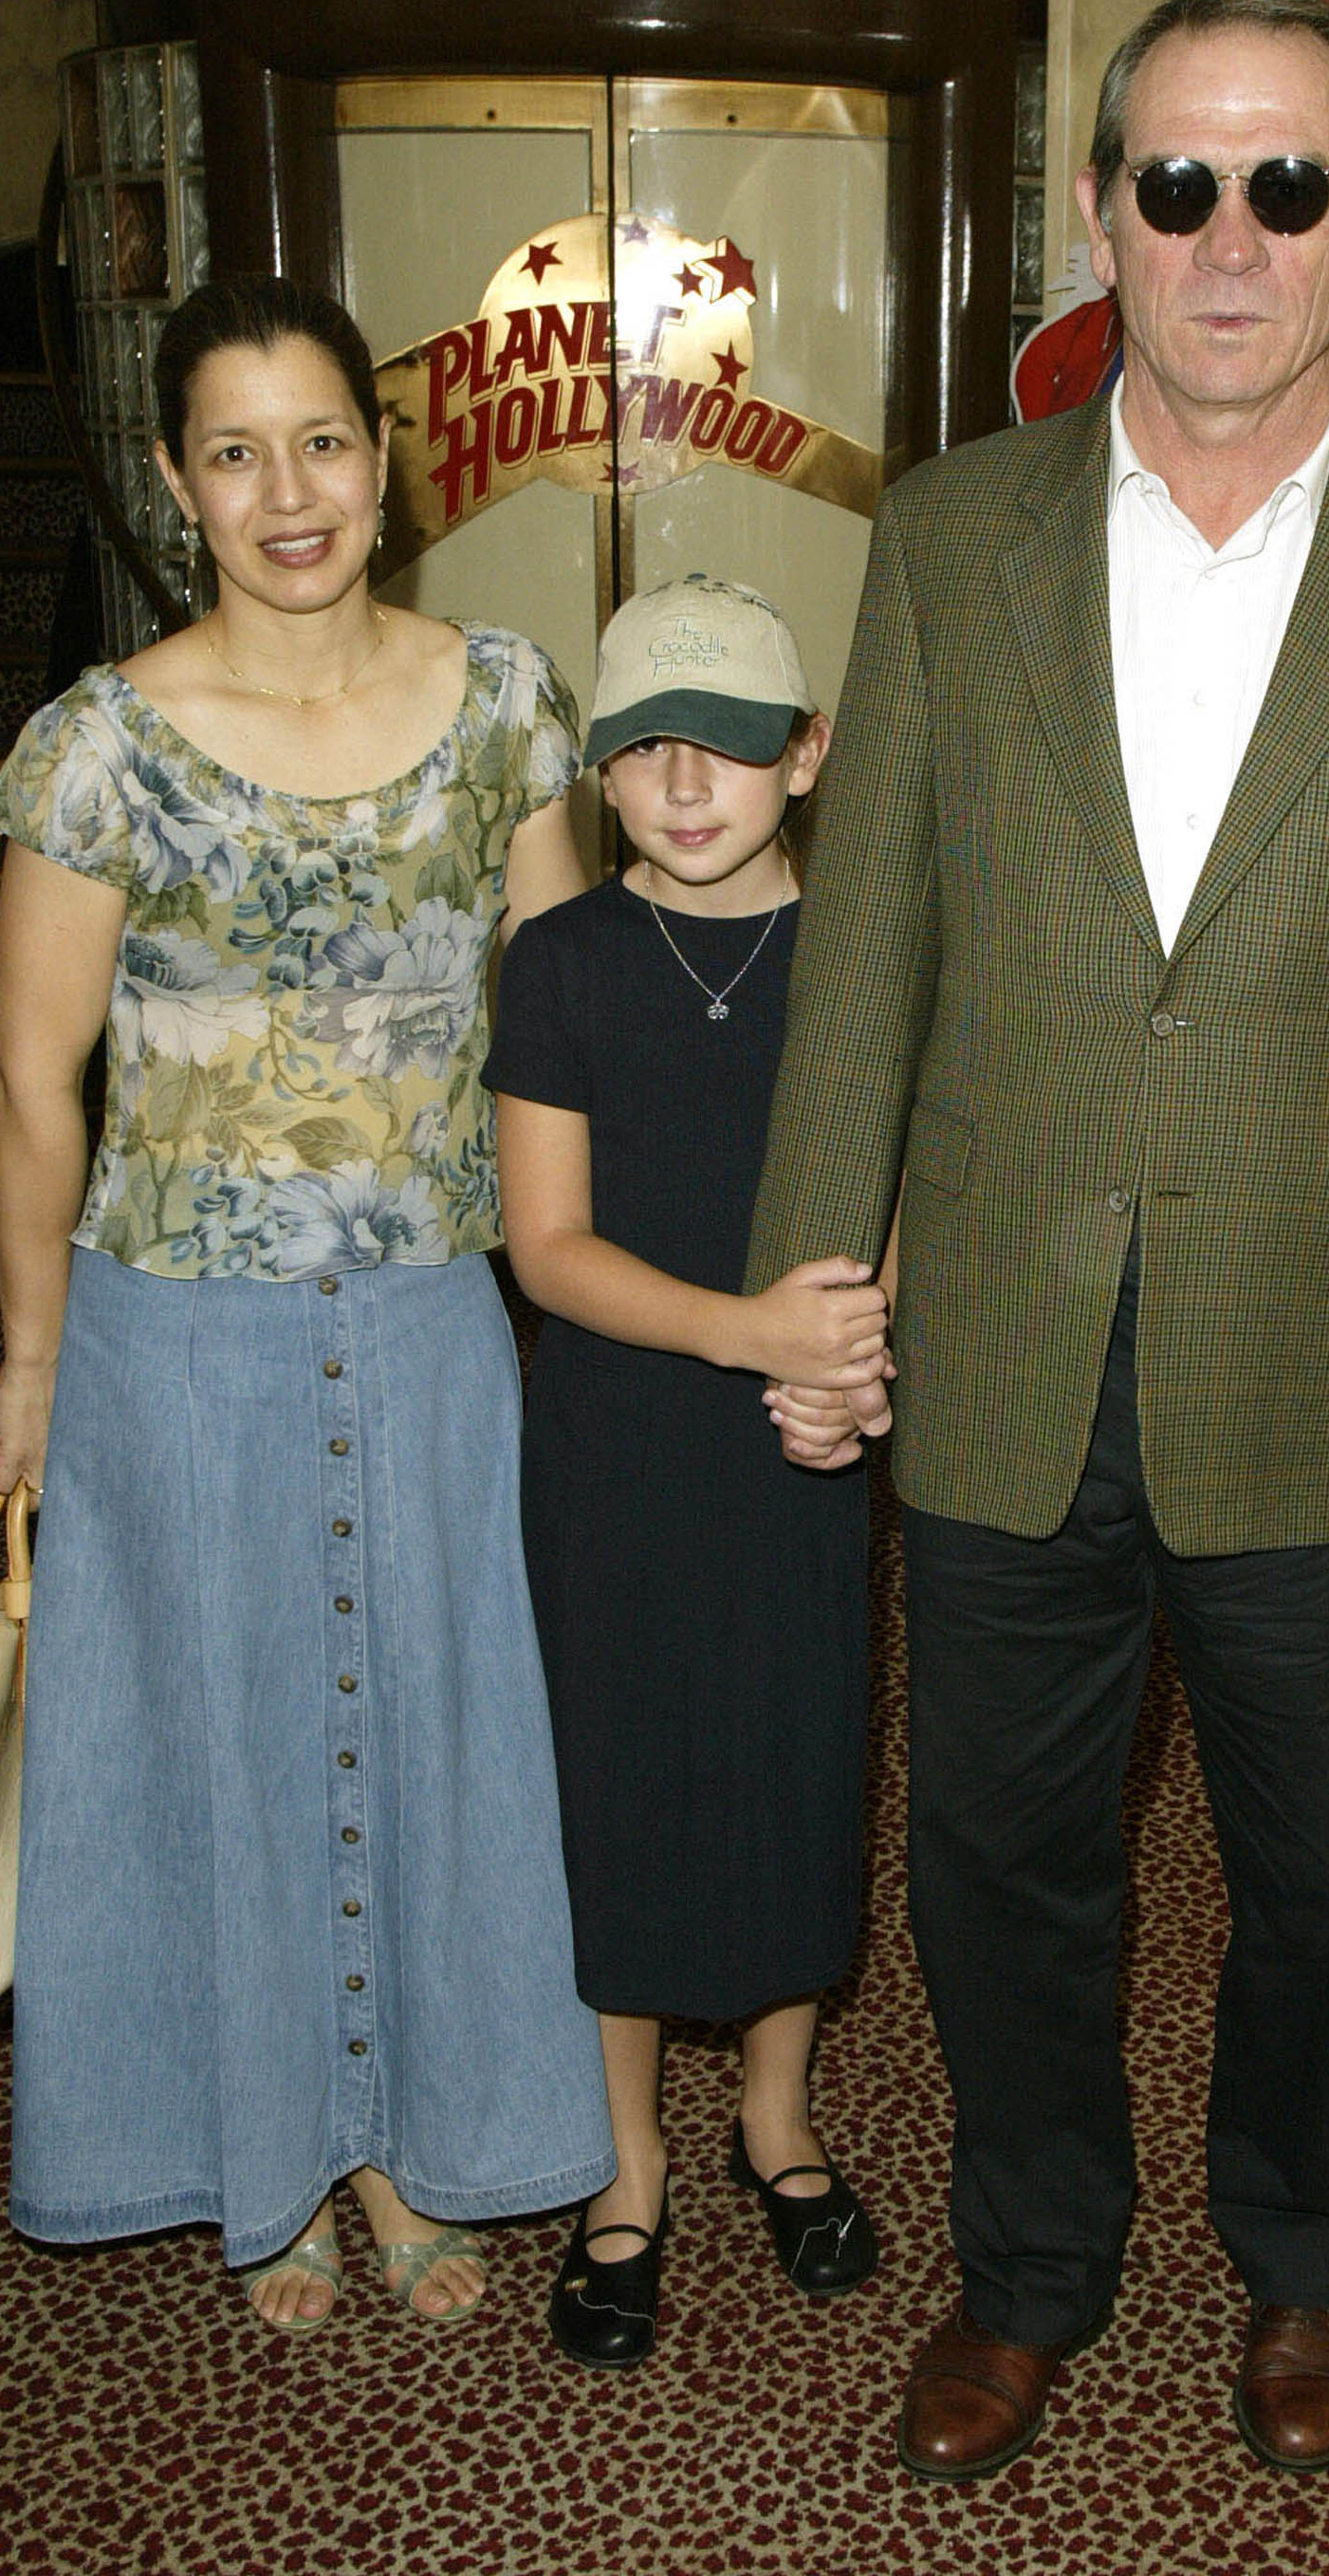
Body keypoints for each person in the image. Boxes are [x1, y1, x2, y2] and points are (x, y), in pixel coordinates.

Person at [747, 0, 1329, 2477]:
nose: (1229, 238)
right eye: (1176, 183)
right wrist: (817, 1286)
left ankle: (1308, 2257)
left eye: (1285, 185)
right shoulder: (944, 537)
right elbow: (869, 945)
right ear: (1101, 216)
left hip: (1326, 1347)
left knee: (1321, 1865)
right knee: (999, 1866)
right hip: (1003, 1338)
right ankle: (1030, 2267)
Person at [0, 276, 614, 2334]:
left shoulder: (509, 702)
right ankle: (280, 2155)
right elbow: (28, 1080)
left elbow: (567, 1028)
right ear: (177, 481)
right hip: (181, 1337)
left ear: (384, 453)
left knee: (439, 1725)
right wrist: (30, 1367)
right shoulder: (103, 747)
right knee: (231, 1737)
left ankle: (411, 2143)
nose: (289, 493)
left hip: (437, 1318)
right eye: (235, 452)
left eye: (322, 440)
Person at [489, 576, 886, 2367]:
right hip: (621, 1440)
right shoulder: (561, 961)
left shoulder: (869, 954)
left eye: (728, 744)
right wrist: (754, 1337)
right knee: (621, 1779)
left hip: (810, 1441)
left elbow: (914, 1201)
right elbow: (544, 1248)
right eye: (644, 746)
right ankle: (626, 2159)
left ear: (800, 755)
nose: (685, 781)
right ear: (598, 775)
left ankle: (777, 2118)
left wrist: (857, 1368)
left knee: (800, 1757)